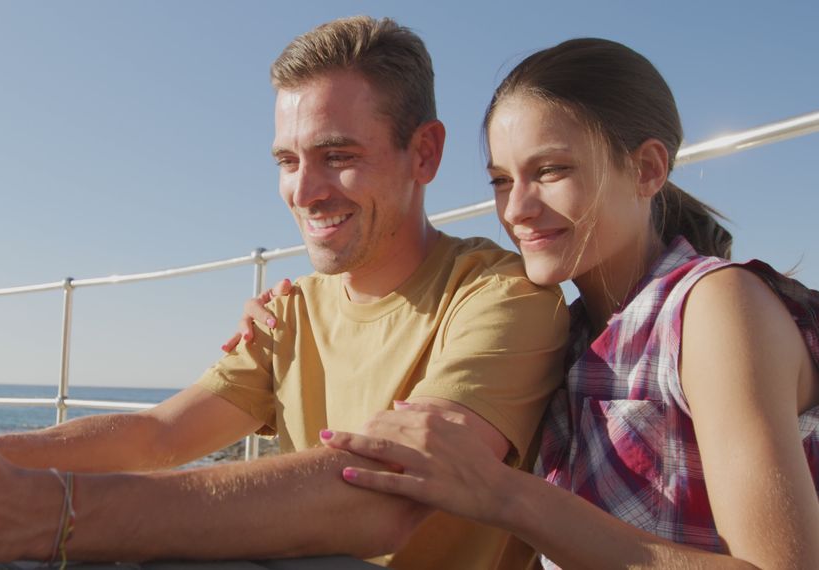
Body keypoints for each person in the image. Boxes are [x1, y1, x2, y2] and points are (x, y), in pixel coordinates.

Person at [0, 16, 568, 569]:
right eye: (286, 159)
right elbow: (161, 435)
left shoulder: (501, 300)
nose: (304, 190)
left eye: (337, 155)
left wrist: (29, 512)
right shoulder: (292, 309)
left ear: (423, 152)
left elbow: (388, 496)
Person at [244, 38, 819, 568]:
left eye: (550, 171)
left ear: (646, 169)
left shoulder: (714, 308)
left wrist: (505, 495)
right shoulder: (566, 333)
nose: (515, 208)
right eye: (499, 180)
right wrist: (293, 308)